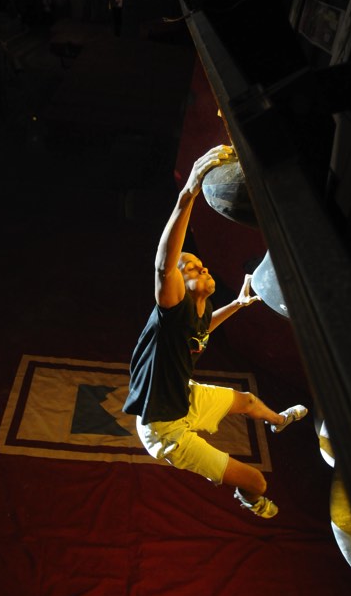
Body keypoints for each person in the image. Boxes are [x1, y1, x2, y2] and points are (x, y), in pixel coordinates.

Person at [123, 145, 308, 518]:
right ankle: (249, 499)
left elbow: (201, 330)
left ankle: (278, 422)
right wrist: (188, 192)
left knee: (248, 402)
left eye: (200, 264)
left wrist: (237, 305)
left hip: (184, 397)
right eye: (191, 269)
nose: (202, 268)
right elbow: (163, 267)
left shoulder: (198, 310)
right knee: (257, 481)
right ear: (177, 284)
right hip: (165, 430)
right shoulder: (171, 311)